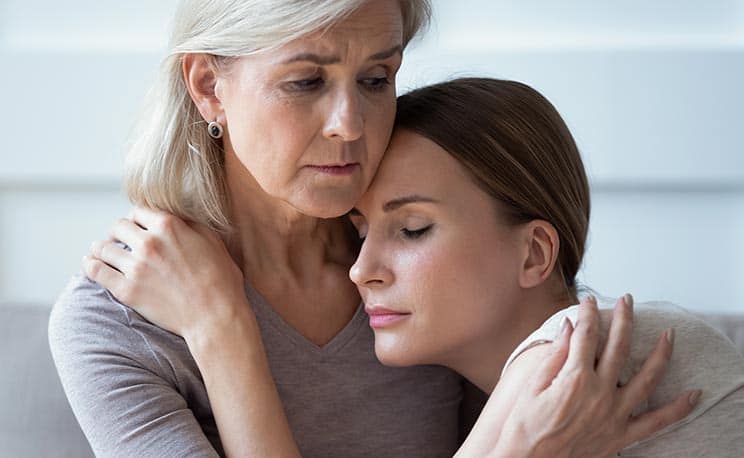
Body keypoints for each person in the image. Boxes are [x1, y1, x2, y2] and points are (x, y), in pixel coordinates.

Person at [50, 1, 695, 456]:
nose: (349, 124)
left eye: (376, 79)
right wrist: (222, 332)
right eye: (305, 81)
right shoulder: (113, 325)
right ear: (209, 85)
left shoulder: (428, 268)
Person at [347, 77, 744, 456]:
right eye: (361, 232)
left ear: (534, 253)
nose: (361, 270)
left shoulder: (581, 346)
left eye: (413, 229)